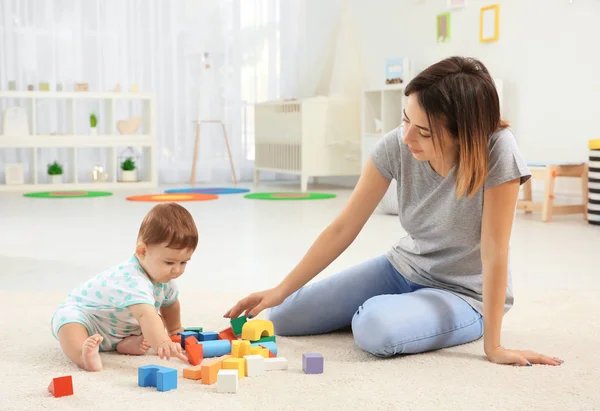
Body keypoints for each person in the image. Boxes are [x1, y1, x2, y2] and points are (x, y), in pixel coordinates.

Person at [225, 56, 563, 367]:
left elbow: (494, 252)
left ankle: (406, 317)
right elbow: (344, 227)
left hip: (463, 294)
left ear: (464, 134)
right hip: (402, 268)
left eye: (424, 131)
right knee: (282, 317)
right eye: (405, 120)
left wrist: (495, 347)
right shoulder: (396, 144)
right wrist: (280, 289)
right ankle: (399, 313)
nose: (407, 137)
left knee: (374, 328)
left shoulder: (498, 150)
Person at [51, 203, 197, 371]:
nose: (177, 270)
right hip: (90, 320)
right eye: (169, 262)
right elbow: (145, 314)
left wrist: (174, 329)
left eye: (183, 262)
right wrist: (163, 342)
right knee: (68, 321)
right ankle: (82, 356)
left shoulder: (164, 278)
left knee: (157, 321)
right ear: (142, 251)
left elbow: (171, 304)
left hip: (121, 328)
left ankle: (127, 344)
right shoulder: (132, 278)